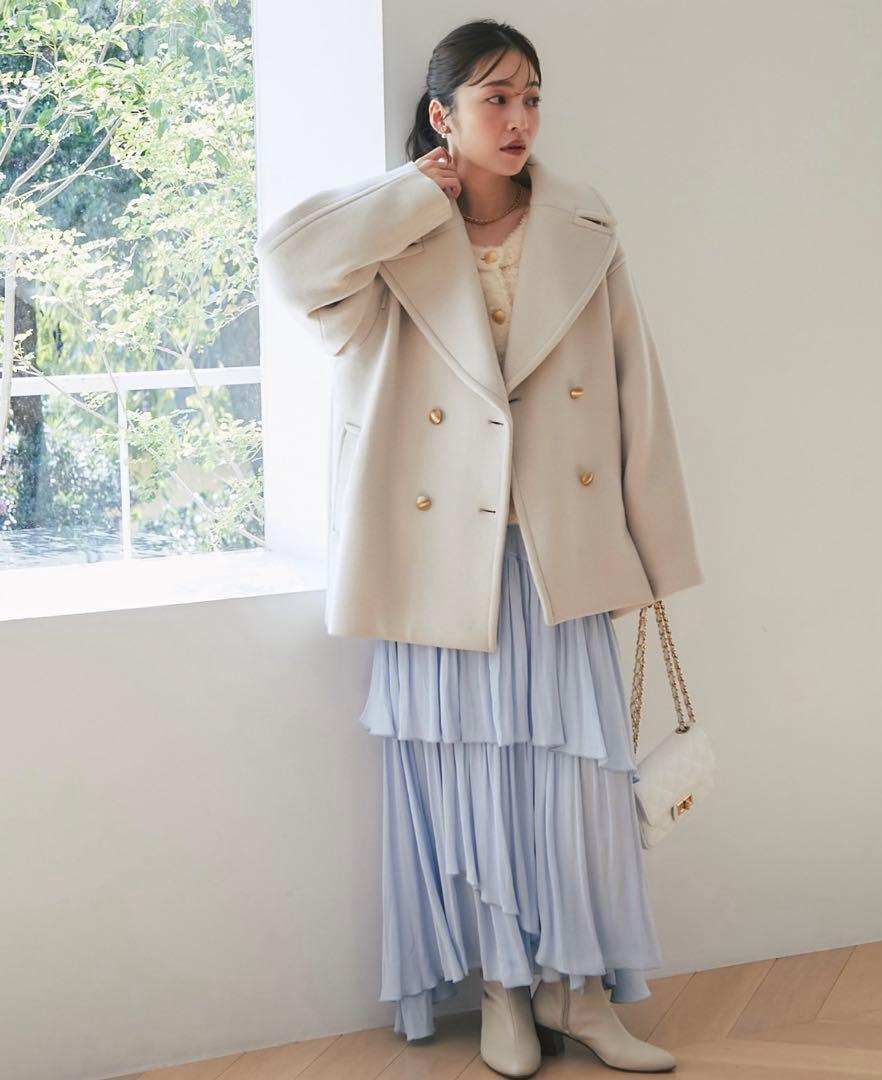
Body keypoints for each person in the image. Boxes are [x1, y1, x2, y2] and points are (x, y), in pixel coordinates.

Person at [257, 19, 703, 1077]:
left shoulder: (584, 225)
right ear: (442, 115)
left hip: (558, 554)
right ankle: (503, 990)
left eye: (531, 97)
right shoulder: (393, 238)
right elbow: (288, 264)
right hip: (436, 566)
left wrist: (652, 555)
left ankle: (577, 994)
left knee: (581, 792)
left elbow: (636, 388)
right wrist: (415, 192)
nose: (519, 119)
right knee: (468, 786)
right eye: (494, 98)